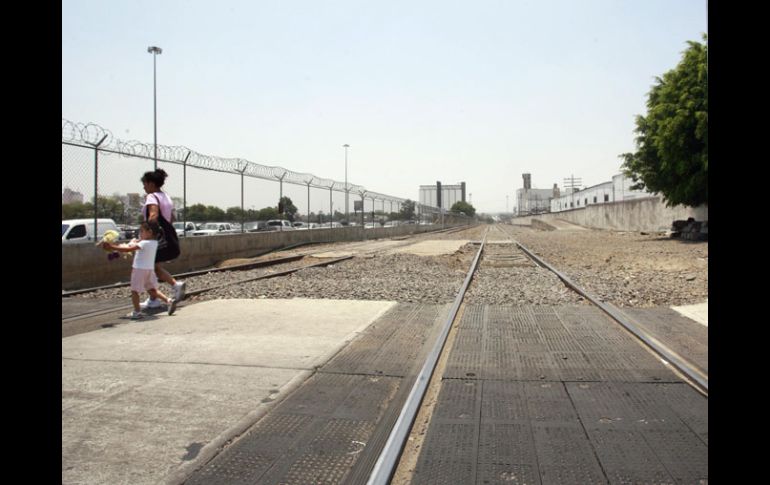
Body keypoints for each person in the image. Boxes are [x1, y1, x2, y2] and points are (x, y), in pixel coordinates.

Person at [102, 221, 177, 319]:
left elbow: (129, 249)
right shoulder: (154, 242)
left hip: (139, 269)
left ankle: (137, 312)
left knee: (134, 291)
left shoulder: (144, 243)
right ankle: (168, 300)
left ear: (149, 232)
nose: (139, 234)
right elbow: (133, 245)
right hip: (149, 270)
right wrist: (124, 245)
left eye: (141, 231)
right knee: (152, 289)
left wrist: (112, 247)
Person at [139, 169, 186, 310]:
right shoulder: (166, 196)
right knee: (153, 267)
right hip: (166, 238)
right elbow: (171, 218)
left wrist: (147, 235)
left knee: (146, 267)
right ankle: (172, 287)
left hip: (155, 239)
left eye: (145, 184)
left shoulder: (152, 196)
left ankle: (157, 296)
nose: (144, 187)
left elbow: (153, 215)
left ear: (151, 183)